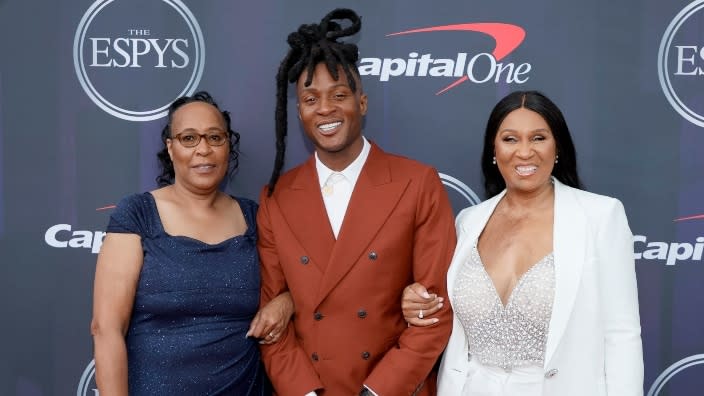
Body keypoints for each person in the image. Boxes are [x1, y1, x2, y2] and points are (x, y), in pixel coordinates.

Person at [256, 8, 457, 396]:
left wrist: (376, 391)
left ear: (361, 103)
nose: (325, 109)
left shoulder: (417, 183)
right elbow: (273, 324)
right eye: (311, 98)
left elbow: (434, 310)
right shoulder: (277, 197)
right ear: (299, 112)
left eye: (340, 95)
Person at [402, 91, 644, 395]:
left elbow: (622, 335)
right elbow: (444, 310)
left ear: (558, 147)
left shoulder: (601, 216)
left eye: (539, 138)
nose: (525, 152)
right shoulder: (468, 221)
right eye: (510, 139)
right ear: (494, 149)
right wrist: (418, 304)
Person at [90, 91, 294, 395]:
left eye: (215, 137)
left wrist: (287, 301)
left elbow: (306, 282)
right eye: (189, 138)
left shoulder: (255, 216)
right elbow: (106, 330)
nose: (204, 150)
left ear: (227, 146)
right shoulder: (138, 214)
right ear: (171, 149)